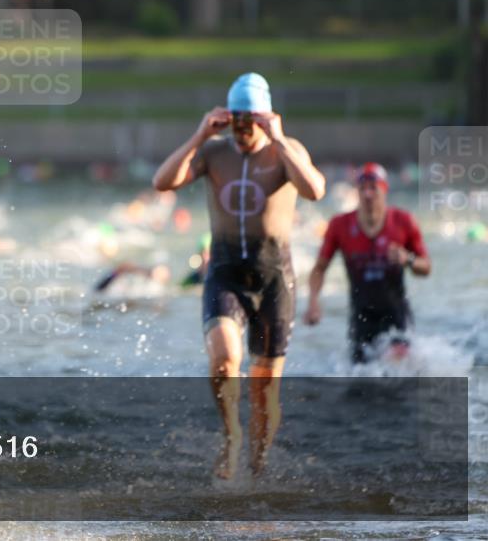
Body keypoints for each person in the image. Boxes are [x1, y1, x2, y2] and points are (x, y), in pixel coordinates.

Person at [152, 73, 326, 479]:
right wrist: (199, 135)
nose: (244, 132)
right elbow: (162, 182)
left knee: (264, 391)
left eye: (251, 122)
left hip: (273, 279)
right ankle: (231, 438)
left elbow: (315, 190)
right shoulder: (214, 153)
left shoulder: (287, 151)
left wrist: (279, 139)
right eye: (238, 122)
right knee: (225, 360)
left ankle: (259, 463)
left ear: (265, 117)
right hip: (225, 273)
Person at [304, 162, 431, 363]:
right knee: (361, 381)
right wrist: (313, 302)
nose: (368, 194)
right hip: (361, 317)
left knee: (397, 368)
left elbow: (426, 268)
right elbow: (320, 268)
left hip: (396, 315)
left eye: (374, 188)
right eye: (362, 188)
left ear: (385, 190)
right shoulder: (340, 225)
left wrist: (408, 259)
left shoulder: (403, 221)